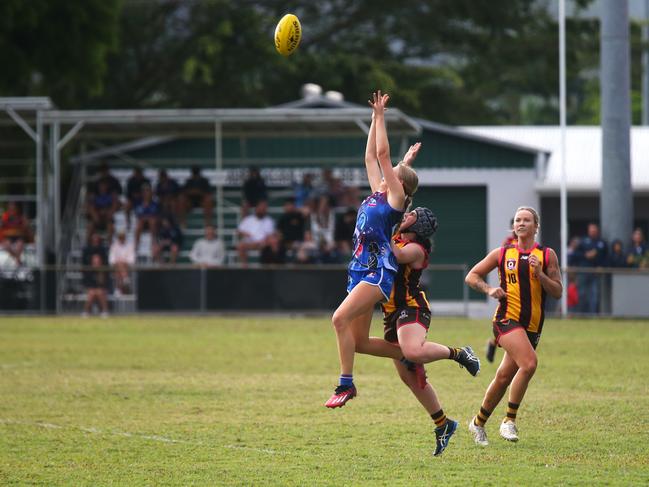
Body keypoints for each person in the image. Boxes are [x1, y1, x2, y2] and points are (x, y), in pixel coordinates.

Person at [355, 207, 480, 456]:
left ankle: (458, 353)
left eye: (411, 214)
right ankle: (443, 424)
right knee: (408, 377)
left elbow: (395, 254)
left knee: (411, 351)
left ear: (417, 225)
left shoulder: (414, 249)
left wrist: (380, 227)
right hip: (391, 314)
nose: (406, 214)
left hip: (411, 308)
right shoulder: (398, 236)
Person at [325, 91, 420, 408]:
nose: (386, 171)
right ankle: (409, 355)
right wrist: (371, 119)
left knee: (338, 319)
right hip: (358, 269)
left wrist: (381, 116)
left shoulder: (394, 198)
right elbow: (370, 158)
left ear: (398, 182)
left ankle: (345, 384)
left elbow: (381, 154)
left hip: (378, 272)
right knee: (361, 342)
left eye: (394, 170)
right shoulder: (379, 194)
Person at [465, 206, 562, 446]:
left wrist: (540, 275)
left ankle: (477, 423)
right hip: (506, 319)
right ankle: (509, 420)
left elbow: (558, 292)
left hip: (533, 326)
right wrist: (489, 289)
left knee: (504, 376)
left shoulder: (547, 255)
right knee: (529, 364)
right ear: (514, 226)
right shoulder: (502, 253)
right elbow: (472, 276)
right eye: (518, 220)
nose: (521, 223)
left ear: (536, 226)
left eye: (526, 220)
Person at [486, 218, 519, 362]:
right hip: (510, 291)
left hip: (525, 292)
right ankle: (495, 343)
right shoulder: (508, 244)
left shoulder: (533, 247)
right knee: (508, 325)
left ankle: (493, 343)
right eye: (515, 224)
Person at [576, 223, 607, 314]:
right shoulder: (583, 241)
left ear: (597, 231)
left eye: (594, 230)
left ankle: (593, 314)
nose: (593, 232)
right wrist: (586, 255)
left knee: (594, 294)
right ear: (588, 231)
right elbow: (575, 255)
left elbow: (606, 257)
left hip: (595, 273)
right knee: (582, 294)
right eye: (591, 230)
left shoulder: (602, 243)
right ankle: (581, 314)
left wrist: (601, 266)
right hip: (584, 272)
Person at [236, 200, 275, 265]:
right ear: (256, 208)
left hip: (263, 243)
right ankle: (244, 266)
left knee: (271, 243)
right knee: (240, 245)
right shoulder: (248, 219)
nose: (262, 209)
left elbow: (270, 235)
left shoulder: (269, 221)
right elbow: (239, 231)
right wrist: (245, 233)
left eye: (264, 208)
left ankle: (266, 266)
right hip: (249, 243)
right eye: (260, 208)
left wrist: (263, 241)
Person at [82, 253, 110, 318]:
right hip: (91, 291)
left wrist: (100, 271)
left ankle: (105, 312)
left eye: (98, 262)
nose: (96, 263)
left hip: (102, 291)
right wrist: (94, 290)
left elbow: (104, 284)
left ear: (100, 262)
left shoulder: (104, 271)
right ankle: (86, 312)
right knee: (92, 292)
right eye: (95, 262)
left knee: (100, 292)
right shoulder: (88, 271)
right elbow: (87, 285)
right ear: (92, 262)